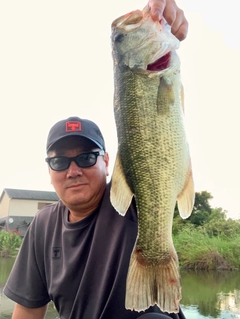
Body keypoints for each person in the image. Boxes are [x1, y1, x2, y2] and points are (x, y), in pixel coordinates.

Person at [4, 1, 188, 318]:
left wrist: (167, 16)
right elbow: (27, 311)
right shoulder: (43, 227)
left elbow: (165, 128)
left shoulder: (129, 203)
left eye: (87, 157)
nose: (73, 170)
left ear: (106, 162)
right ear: (49, 171)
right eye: (60, 162)